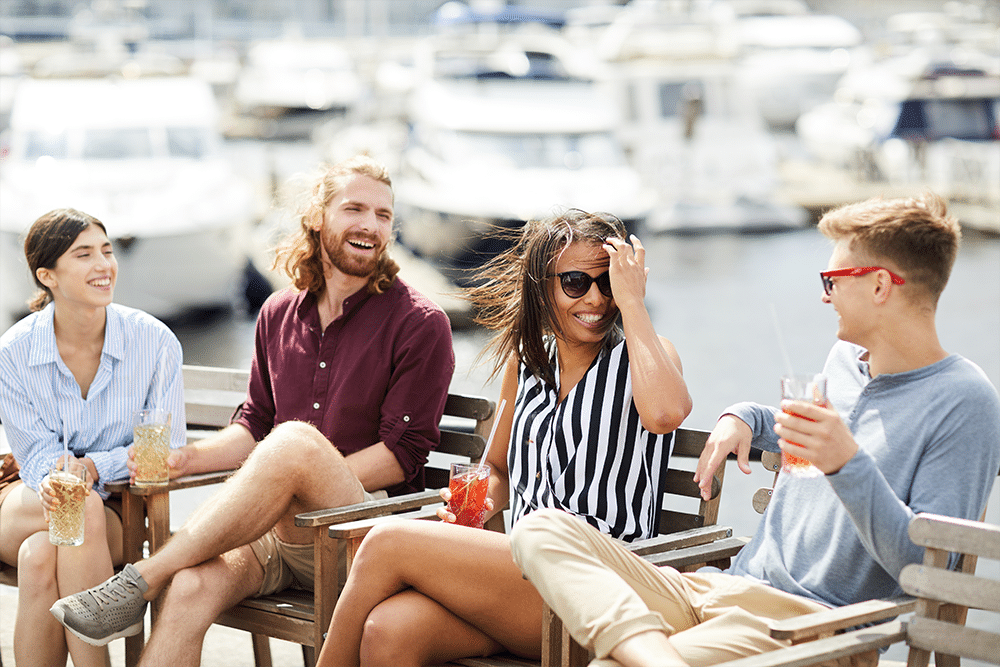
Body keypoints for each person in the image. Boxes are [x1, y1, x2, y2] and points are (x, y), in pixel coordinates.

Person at [509, 193, 1000, 667]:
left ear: (878, 286)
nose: (823, 294)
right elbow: (815, 436)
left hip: (802, 628)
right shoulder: (847, 362)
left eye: (833, 278)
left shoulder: (964, 401)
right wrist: (750, 416)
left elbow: (930, 573)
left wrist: (847, 464)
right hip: (718, 590)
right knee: (540, 530)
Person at [49, 155, 456, 665]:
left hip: (365, 538)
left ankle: (139, 581)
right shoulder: (278, 313)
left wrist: (294, 479)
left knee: (293, 443)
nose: (371, 225)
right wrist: (188, 460)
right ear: (318, 217)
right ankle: (160, 581)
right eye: (354, 208)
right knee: (191, 586)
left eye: (383, 215)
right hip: (278, 538)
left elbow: (404, 454)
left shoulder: (420, 324)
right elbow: (254, 424)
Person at [316, 209, 693, 666]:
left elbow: (666, 413)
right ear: (544, 286)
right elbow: (497, 470)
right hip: (518, 579)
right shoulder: (529, 361)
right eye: (576, 282)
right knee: (389, 630)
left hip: (600, 591)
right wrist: (472, 509)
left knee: (384, 543)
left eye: (609, 282)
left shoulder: (645, 356)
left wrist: (633, 304)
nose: (595, 298)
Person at [0, 208, 185, 667]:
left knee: (41, 555)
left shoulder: (155, 342)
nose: (104, 264)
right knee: (72, 504)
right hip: (28, 502)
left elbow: (161, 450)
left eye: (107, 251)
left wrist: (97, 466)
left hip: (120, 511)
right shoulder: (15, 352)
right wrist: (58, 478)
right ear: (48, 276)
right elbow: (35, 455)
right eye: (84, 254)